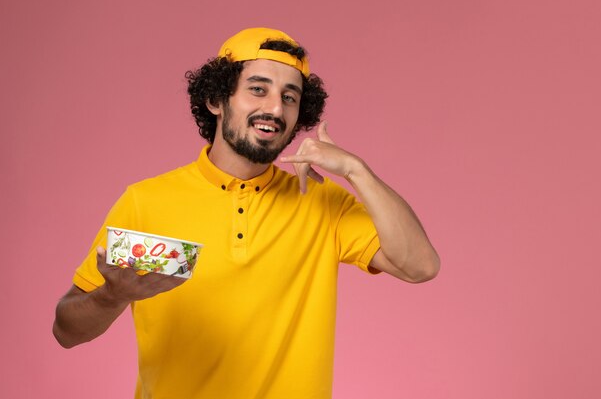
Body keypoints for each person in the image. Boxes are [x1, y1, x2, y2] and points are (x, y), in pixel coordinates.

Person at [53, 27, 440, 399]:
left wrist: (357, 171)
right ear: (216, 100)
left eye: (290, 97)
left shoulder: (322, 203)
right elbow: (66, 331)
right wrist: (110, 298)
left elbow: (420, 266)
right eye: (258, 89)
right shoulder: (148, 202)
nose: (275, 108)